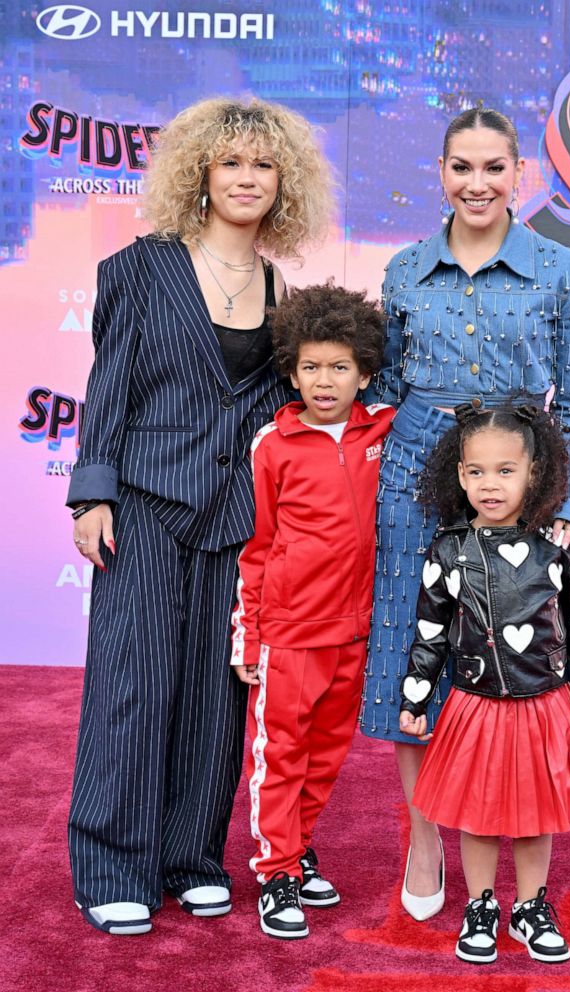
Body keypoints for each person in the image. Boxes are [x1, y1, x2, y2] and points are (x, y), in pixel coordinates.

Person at [360, 106, 570, 935]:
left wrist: (561, 508)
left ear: (518, 175)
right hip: (414, 478)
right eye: (460, 167)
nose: (476, 183)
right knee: (410, 657)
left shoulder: (560, 269)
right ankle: (423, 843)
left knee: (560, 671)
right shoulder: (401, 270)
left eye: (493, 168)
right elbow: (382, 386)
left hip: (524, 482)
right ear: (440, 172)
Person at [67, 97, 333, 935]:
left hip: (235, 516)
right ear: (201, 175)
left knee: (216, 695)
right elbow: (109, 385)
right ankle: (113, 864)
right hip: (143, 501)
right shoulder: (141, 268)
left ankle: (190, 858)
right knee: (132, 685)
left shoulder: (282, 288)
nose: (246, 177)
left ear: (281, 181)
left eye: (262, 164)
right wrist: (93, 489)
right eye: (231, 163)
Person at [400, 403, 570, 964]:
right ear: (459, 474)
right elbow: (430, 633)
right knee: (479, 812)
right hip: (476, 707)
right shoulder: (447, 552)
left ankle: (532, 905)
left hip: (544, 706)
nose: (489, 484)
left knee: (536, 814)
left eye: (505, 470)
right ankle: (482, 905)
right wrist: (415, 696)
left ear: (534, 474)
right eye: (476, 472)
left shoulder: (560, 554)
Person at [230, 282, 395, 940]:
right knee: (281, 756)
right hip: (289, 635)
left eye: (338, 367)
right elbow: (256, 546)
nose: (322, 381)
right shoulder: (272, 444)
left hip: (355, 633)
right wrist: (249, 640)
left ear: (364, 372)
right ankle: (275, 872)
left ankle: (297, 851)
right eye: (309, 367)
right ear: (290, 369)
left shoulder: (383, 429)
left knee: (326, 756)